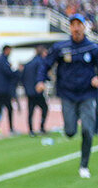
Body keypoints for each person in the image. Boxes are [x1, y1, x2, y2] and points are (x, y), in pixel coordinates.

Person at [36, 14, 98, 179]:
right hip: (67, 94)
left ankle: (84, 165)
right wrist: (40, 80)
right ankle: (71, 124)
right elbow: (46, 64)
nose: (76, 28)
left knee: (87, 129)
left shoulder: (92, 48)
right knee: (70, 131)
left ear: (84, 27)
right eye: (73, 25)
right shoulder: (61, 47)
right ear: (70, 27)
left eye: (79, 24)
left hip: (87, 94)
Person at [22, 45, 49, 136]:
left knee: (30, 111)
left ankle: (31, 130)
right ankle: (41, 127)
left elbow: (22, 78)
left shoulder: (28, 63)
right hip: (37, 90)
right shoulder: (41, 62)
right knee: (44, 108)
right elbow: (42, 74)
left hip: (29, 91)